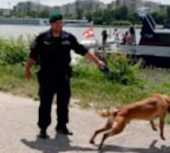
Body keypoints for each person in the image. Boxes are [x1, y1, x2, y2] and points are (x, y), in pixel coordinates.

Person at [24, 11, 108, 139]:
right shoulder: (42, 38)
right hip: (47, 76)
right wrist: (27, 69)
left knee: (63, 102)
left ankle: (62, 126)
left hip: (63, 76)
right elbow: (33, 55)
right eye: (57, 23)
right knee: (45, 103)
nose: (59, 25)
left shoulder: (68, 37)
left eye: (61, 23)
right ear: (51, 24)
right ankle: (43, 128)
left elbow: (82, 51)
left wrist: (97, 62)